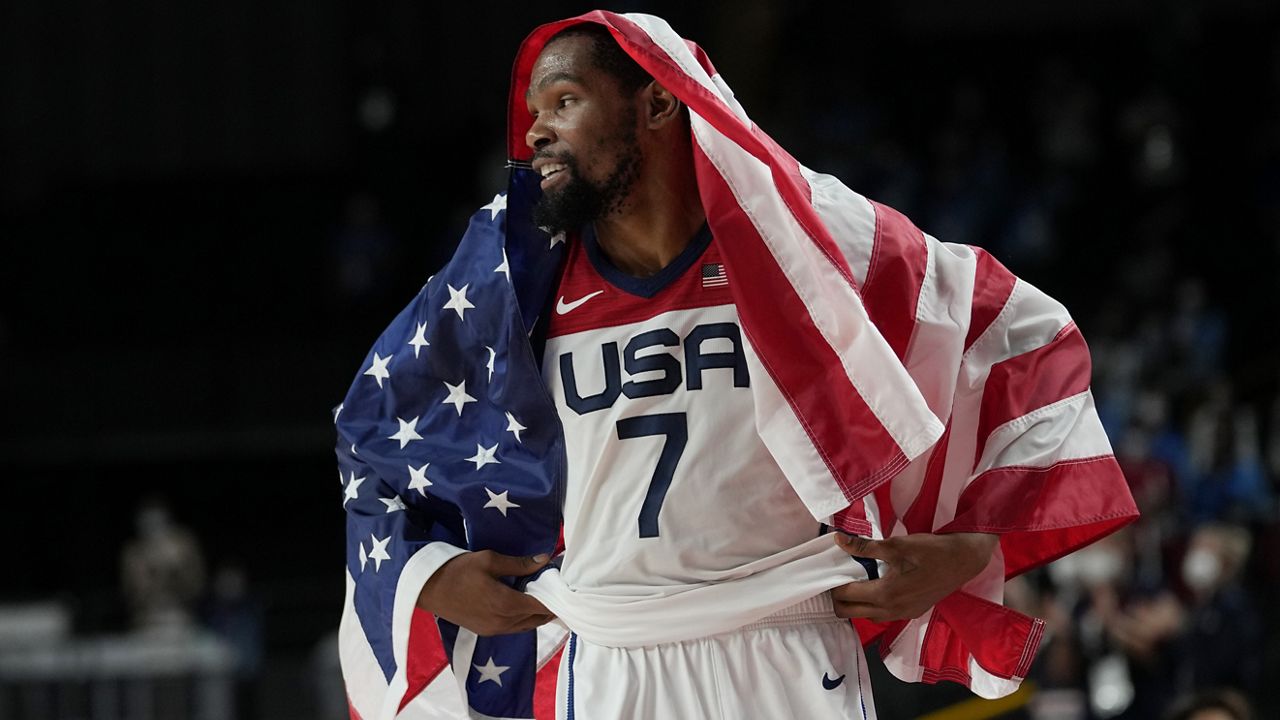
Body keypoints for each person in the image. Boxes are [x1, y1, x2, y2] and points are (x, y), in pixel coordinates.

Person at [335, 11, 1138, 720]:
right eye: (535, 112)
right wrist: (428, 576)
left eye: (566, 102)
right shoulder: (513, 270)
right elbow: (372, 427)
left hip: (784, 643)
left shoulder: (806, 237)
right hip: (611, 659)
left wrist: (966, 550)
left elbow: (1021, 332)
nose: (536, 130)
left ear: (656, 101)